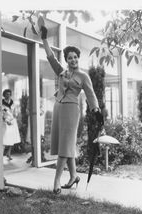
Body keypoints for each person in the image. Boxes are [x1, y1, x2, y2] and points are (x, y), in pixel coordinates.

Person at [39, 24, 104, 194]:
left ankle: (57, 180)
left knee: (65, 147)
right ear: (66, 59)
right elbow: (51, 56)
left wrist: (96, 111)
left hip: (71, 111)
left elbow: (90, 95)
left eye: (75, 57)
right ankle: (74, 176)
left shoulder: (83, 76)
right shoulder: (61, 72)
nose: (73, 60)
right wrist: (44, 38)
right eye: (70, 57)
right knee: (65, 146)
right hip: (59, 108)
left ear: (78, 58)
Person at [2, 89, 21, 160]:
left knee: (12, 139)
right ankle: (1, 155)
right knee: (4, 139)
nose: (8, 95)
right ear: (4, 95)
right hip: (5, 123)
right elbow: (1, 114)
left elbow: (16, 113)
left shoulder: (13, 103)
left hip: (12, 122)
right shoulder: (1, 103)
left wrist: (15, 118)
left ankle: (8, 153)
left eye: (9, 94)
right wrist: (6, 120)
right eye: (7, 94)